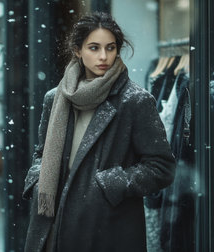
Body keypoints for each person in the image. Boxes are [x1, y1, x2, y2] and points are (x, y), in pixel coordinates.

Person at [22, 12, 176, 252]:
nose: (104, 56)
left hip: (106, 227)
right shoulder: (55, 98)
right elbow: (41, 153)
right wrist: (39, 179)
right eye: (94, 48)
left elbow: (161, 167)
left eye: (110, 48)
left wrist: (109, 185)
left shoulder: (134, 101)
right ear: (77, 50)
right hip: (52, 225)